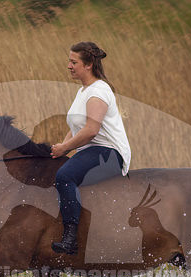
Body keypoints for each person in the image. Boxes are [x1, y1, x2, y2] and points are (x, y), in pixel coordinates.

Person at [50, 41, 131, 255]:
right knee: (56, 168)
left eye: (73, 61)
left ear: (88, 65)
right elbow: (77, 128)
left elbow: (91, 130)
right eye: (69, 60)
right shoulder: (83, 91)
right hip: (90, 150)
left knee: (65, 176)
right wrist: (60, 149)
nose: (68, 65)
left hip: (109, 153)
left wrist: (65, 148)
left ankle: (70, 239)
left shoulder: (98, 92)